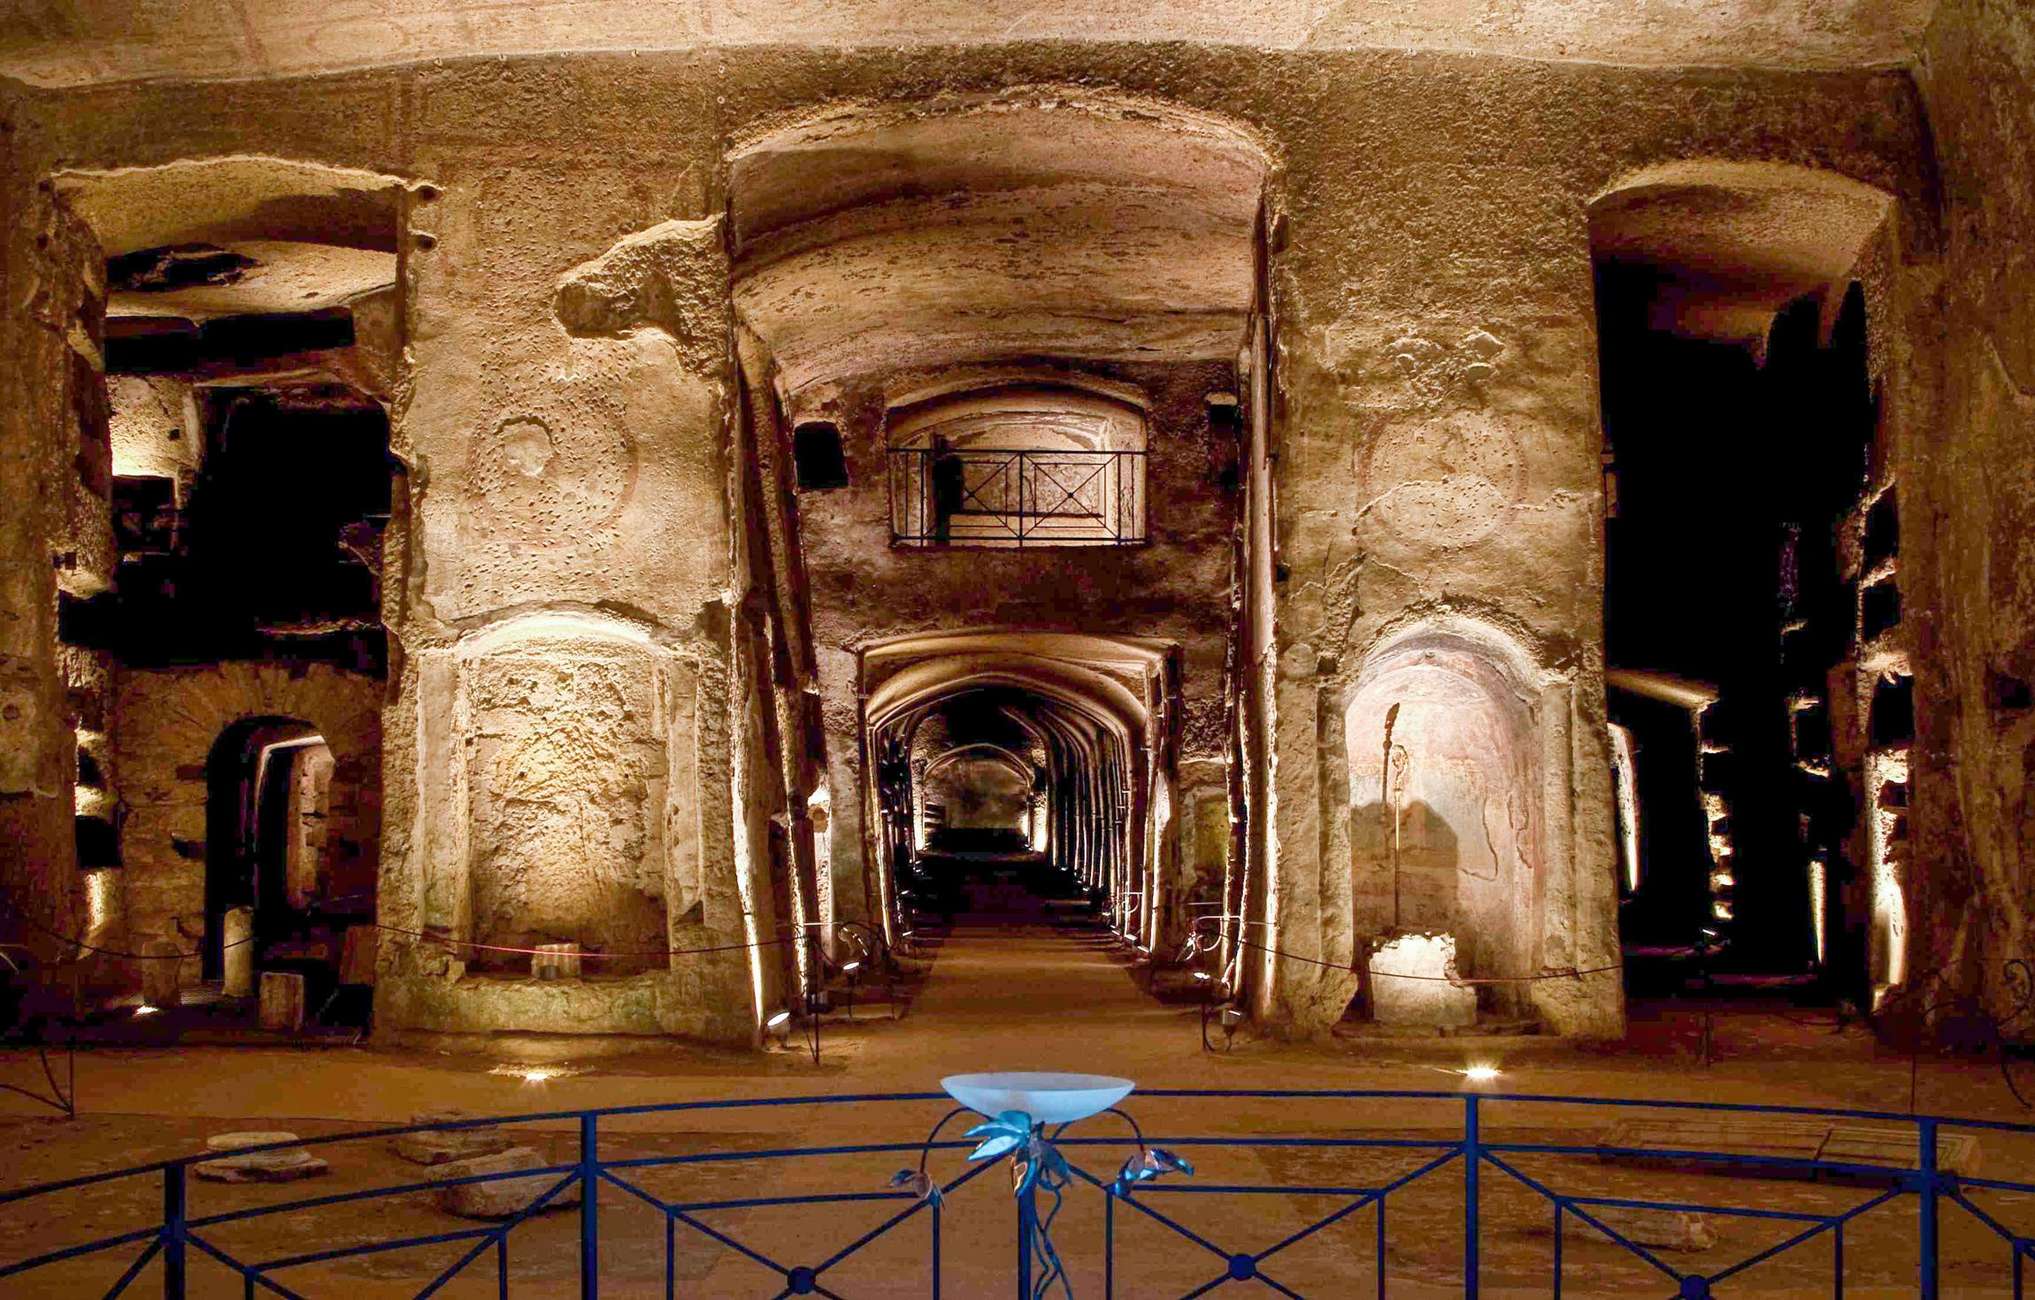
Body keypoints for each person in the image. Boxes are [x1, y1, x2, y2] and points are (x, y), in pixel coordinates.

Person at [929, 434, 965, 543]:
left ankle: (942, 538)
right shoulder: (954, 460)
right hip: (946, 491)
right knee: (943, 517)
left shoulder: (949, 461)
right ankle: (942, 538)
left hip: (944, 491)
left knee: (943, 516)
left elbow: (958, 478)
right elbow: (959, 478)